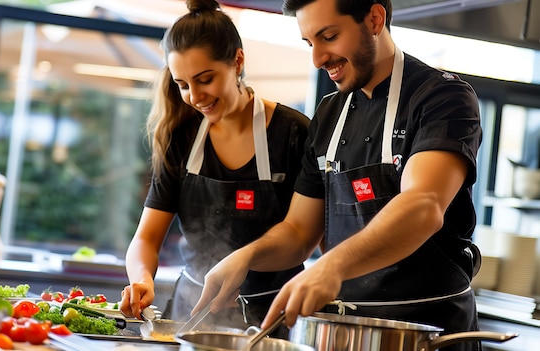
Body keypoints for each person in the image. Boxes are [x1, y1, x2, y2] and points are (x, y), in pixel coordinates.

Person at [194, 0, 483, 350]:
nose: (317, 59)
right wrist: (245, 257)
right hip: (348, 334)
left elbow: (423, 205)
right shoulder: (330, 112)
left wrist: (331, 266)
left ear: (375, 19)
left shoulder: (442, 98)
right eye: (309, 43)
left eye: (328, 36)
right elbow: (300, 231)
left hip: (428, 334)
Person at [119, 0, 310, 331]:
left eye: (205, 79)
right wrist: (141, 279)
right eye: (182, 85)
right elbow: (146, 239)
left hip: (276, 319)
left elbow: (306, 235)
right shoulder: (180, 136)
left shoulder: (292, 133)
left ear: (237, 61)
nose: (194, 96)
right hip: (191, 315)